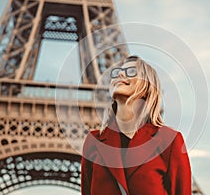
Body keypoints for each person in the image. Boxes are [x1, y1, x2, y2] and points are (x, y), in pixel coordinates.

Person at [81, 55, 191, 195]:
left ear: (147, 86)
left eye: (131, 71)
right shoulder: (93, 142)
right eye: (118, 72)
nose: (120, 74)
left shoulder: (169, 141)